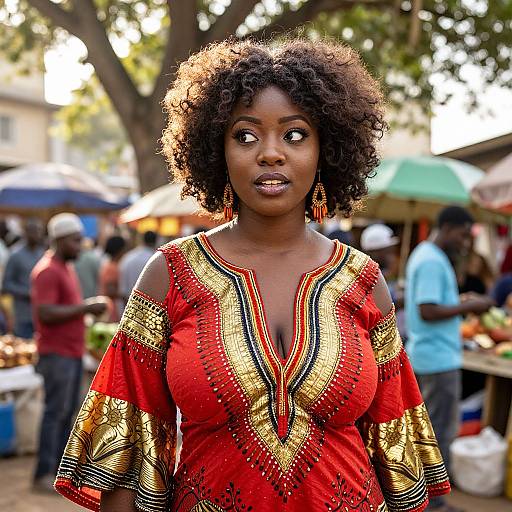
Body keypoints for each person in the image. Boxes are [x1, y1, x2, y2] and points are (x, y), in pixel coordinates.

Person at [55, 39, 450, 512]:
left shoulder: (363, 280)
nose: (270, 153)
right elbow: (125, 459)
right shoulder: (172, 275)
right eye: (245, 135)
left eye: (295, 134)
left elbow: (398, 451)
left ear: (328, 149)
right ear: (215, 149)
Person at [405, 206, 494, 512]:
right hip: (437, 360)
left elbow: (432, 304)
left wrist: (460, 302)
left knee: (427, 432)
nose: (465, 242)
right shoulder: (431, 259)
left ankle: (423, 499)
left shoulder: (426, 255)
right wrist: (472, 306)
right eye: (463, 234)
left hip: (429, 355)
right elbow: (427, 310)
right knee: (439, 433)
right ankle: (433, 503)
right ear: (448, 227)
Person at [31, 213, 107, 492]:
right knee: (55, 412)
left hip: (71, 351)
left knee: (66, 413)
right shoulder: (48, 270)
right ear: (60, 240)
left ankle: (58, 473)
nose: (79, 246)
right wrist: (86, 308)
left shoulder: (65, 267)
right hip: (56, 353)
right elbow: (46, 312)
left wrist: (85, 310)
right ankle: (42, 474)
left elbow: (63, 309)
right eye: (75, 241)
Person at [2, 218, 45, 339]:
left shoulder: (42, 253)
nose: (37, 235)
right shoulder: (15, 255)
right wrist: (27, 293)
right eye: (34, 231)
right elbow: (6, 285)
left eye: (39, 231)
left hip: (40, 314)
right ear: (26, 232)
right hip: (22, 315)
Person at [119, 230, 157, 303]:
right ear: (155, 241)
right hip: (150, 307)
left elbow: (123, 292)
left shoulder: (128, 257)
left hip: (129, 305)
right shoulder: (156, 260)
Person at [99, 235, 127, 322]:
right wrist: (125, 296)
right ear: (120, 250)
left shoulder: (109, 265)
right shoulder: (112, 268)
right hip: (111, 310)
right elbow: (110, 290)